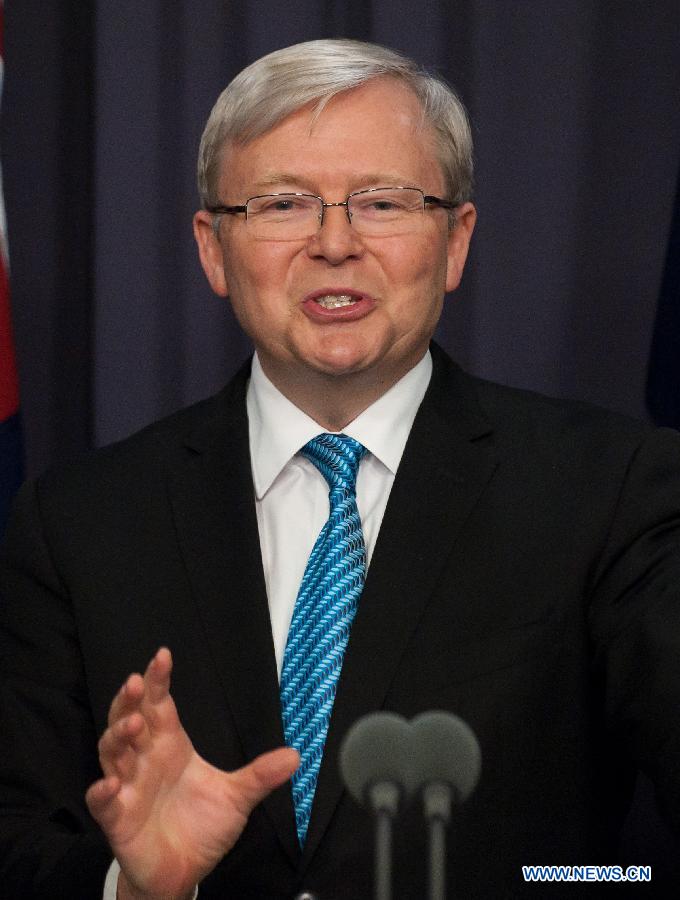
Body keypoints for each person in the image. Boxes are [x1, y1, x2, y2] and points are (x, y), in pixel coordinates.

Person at [1, 38, 679, 899]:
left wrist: (545, 883)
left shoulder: (613, 488)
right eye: (282, 203)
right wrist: (135, 887)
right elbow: (16, 847)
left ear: (456, 239)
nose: (334, 243)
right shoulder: (78, 523)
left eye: (383, 202)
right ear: (213, 248)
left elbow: (637, 857)